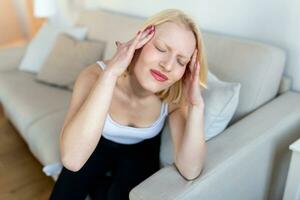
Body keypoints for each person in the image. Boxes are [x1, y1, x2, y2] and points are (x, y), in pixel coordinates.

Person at [49, 8, 208, 200]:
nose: (167, 66)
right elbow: (72, 160)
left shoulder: (174, 96)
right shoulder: (94, 76)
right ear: (140, 41)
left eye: (181, 61)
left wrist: (197, 107)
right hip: (97, 144)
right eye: (161, 49)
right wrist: (111, 74)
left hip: (140, 152)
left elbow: (190, 170)